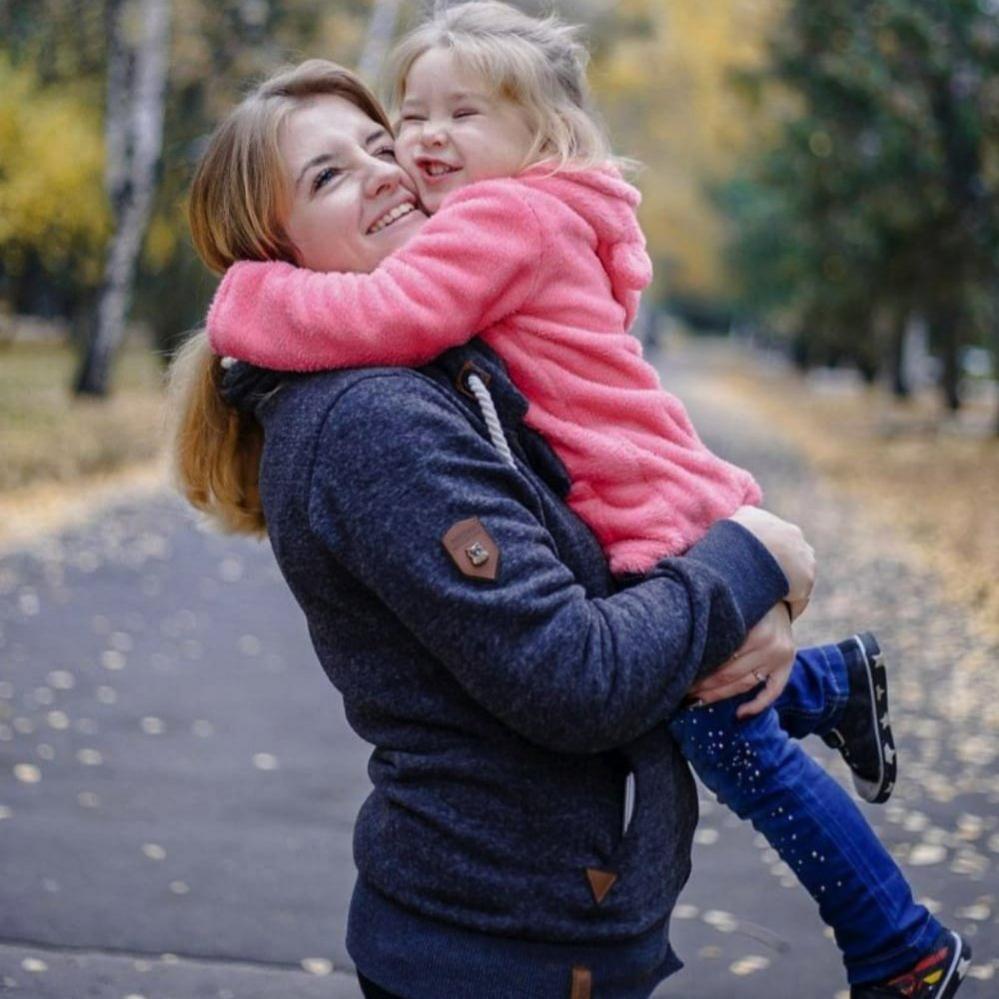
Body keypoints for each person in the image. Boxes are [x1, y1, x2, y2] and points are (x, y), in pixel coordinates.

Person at [203, 7, 969, 998]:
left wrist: (753, 588)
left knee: (733, 707)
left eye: (382, 143)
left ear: (535, 132)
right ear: (274, 247)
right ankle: (897, 945)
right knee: (737, 741)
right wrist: (747, 565)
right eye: (329, 174)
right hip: (502, 939)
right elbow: (576, 672)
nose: (400, 162)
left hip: (556, 915)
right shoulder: (371, 416)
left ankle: (838, 729)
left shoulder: (480, 266)